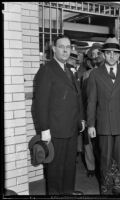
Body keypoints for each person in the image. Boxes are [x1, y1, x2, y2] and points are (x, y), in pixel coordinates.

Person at [87, 37, 120, 195]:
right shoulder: (95, 74)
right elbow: (91, 101)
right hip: (104, 123)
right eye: (108, 53)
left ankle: (118, 187)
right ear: (103, 54)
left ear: (119, 56)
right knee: (105, 157)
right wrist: (90, 125)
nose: (112, 56)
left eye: (115, 53)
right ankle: (105, 188)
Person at [34, 35, 85, 195]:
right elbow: (39, 104)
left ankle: (67, 192)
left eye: (68, 47)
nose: (65, 50)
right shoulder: (46, 70)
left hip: (71, 128)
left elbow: (77, 98)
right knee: (55, 169)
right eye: (61, 46)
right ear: (54, 49)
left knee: (69, 166)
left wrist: (81, 119)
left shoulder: (69, 70)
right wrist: (44, 130)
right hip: (55, 131)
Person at [82, 43, 104, 177]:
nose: (95, 57)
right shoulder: (86, 74)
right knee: (88, 142)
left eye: (98, 53)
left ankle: (103, 168)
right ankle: (91, 167)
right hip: (89, 111)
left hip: (102, 112)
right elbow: (84, 96)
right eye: (93, 54)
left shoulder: (109, 72)